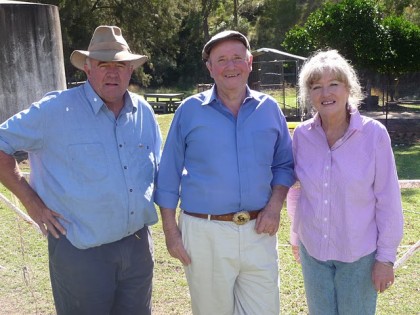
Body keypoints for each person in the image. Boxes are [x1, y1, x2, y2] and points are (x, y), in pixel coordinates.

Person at [0, 25, 162, 315]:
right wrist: (31, 201)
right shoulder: (55, 111)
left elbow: (157, 171)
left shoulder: (143, 112)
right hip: (81, 253)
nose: (113, 72)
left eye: (121, 65)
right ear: (88, 69)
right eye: (104, 64)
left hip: (137, 248)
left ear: (130, 70)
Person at [155, 30, 295, 315]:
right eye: (221, 60)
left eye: (237, 58)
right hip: (205, 233)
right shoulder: (189, 111)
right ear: (210, 67)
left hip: (260, 230)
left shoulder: (269, 109)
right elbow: (168, 174)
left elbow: (284, 164)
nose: (231, 66)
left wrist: (275, 207)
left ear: (250, 62)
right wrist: (171, 232)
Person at [287, 49, 404, 314]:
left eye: (333, 85)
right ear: (309, 94)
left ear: (349, 88)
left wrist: (385, 259)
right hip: (313, 253)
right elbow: (297, 191)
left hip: (358, 257)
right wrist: (296, 238)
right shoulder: (302, 136)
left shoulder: (374, 136)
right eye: (316, 87)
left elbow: (388, 201)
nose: (325, 94)